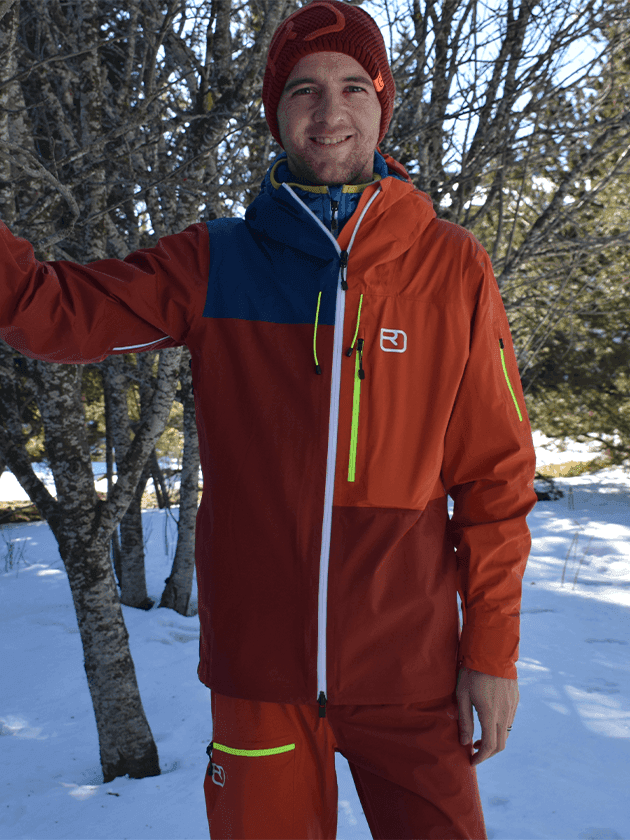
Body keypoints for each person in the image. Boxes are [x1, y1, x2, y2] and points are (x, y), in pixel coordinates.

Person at [0, 1, 537, 837]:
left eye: (353, 86)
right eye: (303, 89)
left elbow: (495, 479)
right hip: (260, 676)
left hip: (411, 668)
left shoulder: (450, 266)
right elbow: (52, 312)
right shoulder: (217, 261)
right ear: (275, 113)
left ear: (382, 104)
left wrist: (492, 653)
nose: (330, 111)